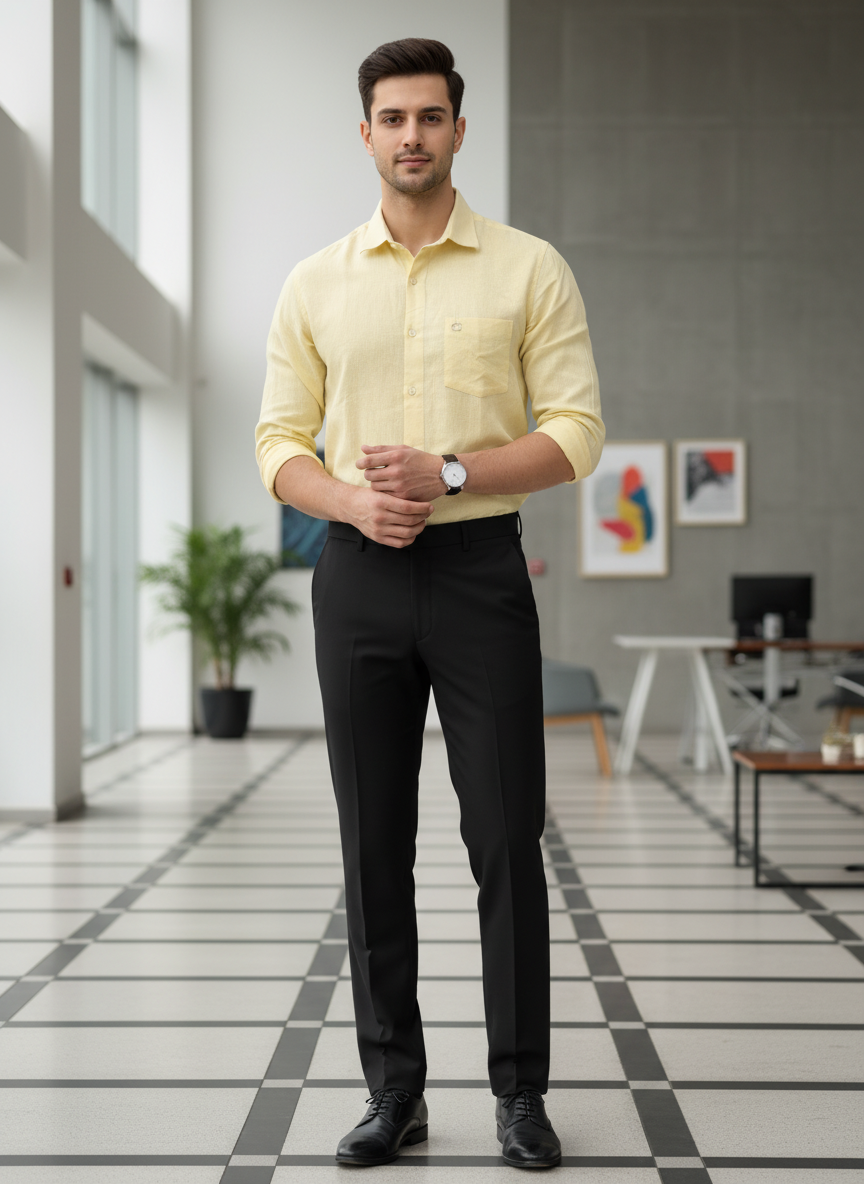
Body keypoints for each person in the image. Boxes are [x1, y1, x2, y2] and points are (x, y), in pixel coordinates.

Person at [255, 37, 603, 1169]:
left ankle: (519, 1095)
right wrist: (355, 501)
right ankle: (391, 1089)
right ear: (366, 134)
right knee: (373, 843)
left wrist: (451, 474)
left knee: (505, 835)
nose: (412, 135)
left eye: (431, 117)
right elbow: (275, 444)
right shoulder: (314, 281)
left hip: (479, 575)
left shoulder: (528, 268)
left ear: (461, 129)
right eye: (392, 118)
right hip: (356, 576)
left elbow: (576, 433)